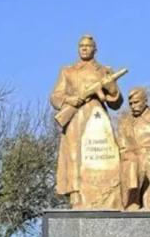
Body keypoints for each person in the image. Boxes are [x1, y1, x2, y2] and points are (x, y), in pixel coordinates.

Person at [49, 34, 124, 208]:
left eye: (87, 46)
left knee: (103, 155)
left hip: (97, 116)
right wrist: (69, 100)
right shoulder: (68, 71)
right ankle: (76, 194)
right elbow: (55, 96)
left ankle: (107, 193)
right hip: (75, 116)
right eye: (81, 46)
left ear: (95, 49)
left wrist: (110, 88)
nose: (84, 48)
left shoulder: (104, 70)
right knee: (74, 155)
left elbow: (116, 102)